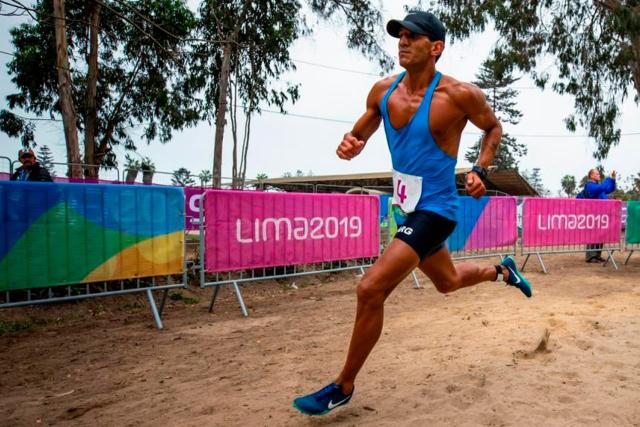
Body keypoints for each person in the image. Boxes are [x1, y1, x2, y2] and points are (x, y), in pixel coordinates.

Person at [292, 11, 533, 416]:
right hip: (406, 207)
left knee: (370, 289)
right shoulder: (384, 91)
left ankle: (342, 386)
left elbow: (493, 128)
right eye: (400, 36)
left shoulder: (459, 95)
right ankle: (502, 271)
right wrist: (351, 144)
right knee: (448, 281)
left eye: (413, 36)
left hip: (437, 209)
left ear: (435, 47)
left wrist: (479, 169)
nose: (403, 42)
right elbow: (360, 132)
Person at [578, 168, 617, 263]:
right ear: (591, 176)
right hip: (593, 214)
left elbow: (610, 189)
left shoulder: (598, 186)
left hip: (601, 215)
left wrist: (613, 179)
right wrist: (608, 178)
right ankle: (591, 257)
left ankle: (597, 255)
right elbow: (602, 188)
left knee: (600, 235)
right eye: (597, 174)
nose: (599, 175)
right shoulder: (590, 186)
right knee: (593, 235)